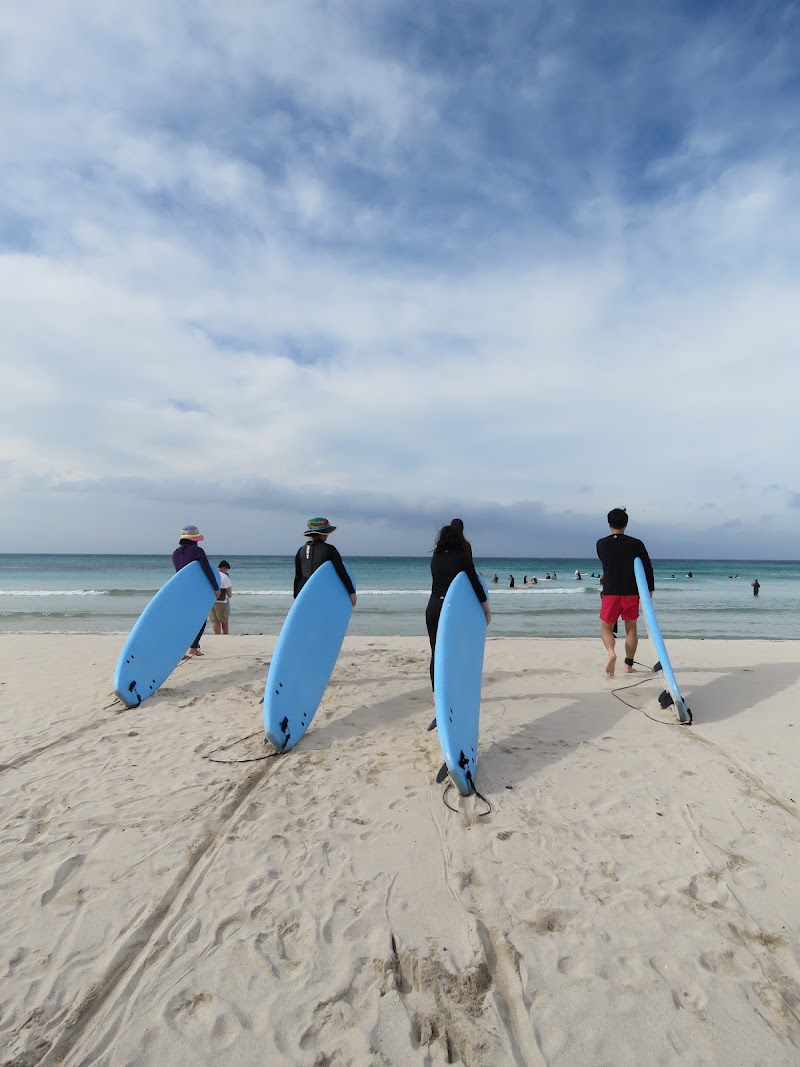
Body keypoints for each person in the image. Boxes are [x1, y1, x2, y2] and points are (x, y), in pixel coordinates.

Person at [426, 523, 490, 689]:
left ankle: (438, 694)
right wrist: (486, 608)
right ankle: (454, 689)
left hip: (433, 608)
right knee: (455, 650)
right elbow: (475, 583)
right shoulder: (462, 557)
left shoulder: (436, 558)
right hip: (451, 609)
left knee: (436, 652)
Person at [596, 507, 654, 678]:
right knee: (631, 629)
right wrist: (649, 590)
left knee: (606, 628)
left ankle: (611, 653)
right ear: (626, 524)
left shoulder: (601, 544)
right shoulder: (636, 544)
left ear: (609, 524)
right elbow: (647, 568)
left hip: (610, 592)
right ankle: (628, 665)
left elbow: (607, 561)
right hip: (630, 592)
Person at [172, 525, 219, 656]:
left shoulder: (175, 553)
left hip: (180, 590)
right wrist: (215, 587)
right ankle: (193, 647)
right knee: (201, 618)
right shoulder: (197, 551)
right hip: (195, 591)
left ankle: (179, 650)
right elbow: (206, 569)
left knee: (184, 620)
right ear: (195, 539)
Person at [293, 517, 357, 606]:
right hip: (322, 592)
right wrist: (351, 592)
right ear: (324, 534)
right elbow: (341, 572)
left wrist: (295, 597)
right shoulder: (330, 549)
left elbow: (298, 576)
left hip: (303, 592)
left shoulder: (301, 550)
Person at [209, 560, 233, 635]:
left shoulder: (211, 574)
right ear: (223, 568)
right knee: (224, 621)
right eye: (226, 569)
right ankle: (225, 636)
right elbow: (229, 590)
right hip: (222, 602)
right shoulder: (224, 576)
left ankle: (217, 636)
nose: (226, 571)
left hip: (212, 601)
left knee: (215, 621)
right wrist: (229, 595)